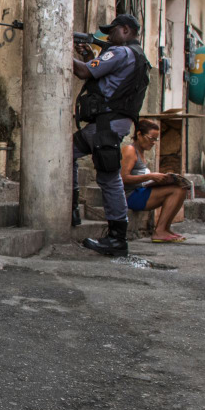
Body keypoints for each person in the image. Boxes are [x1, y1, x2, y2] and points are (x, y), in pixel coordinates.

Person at [70, 14, 151, 257]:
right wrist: (87, 54)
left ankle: (117, 238)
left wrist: (59, 48)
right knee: (67, 153)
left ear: (125, 30)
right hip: (113, 122)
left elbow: (85, 73)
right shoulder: (138, 57)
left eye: (112, 32)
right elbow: (99, 75)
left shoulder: (121, 52)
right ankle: (74, 208)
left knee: (109, 177)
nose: (109, 37)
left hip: (106, 123)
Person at [121, 119, 191, 243]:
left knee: (181, 187)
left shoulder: (141, 152)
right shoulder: (130, 150)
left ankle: (165, 228)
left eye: (156, 139)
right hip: (129, 196)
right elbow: (123, 178)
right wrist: (150, 177)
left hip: (139, 190)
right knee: (177, 191)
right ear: (139, 134)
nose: (153, 142)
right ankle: (159, 231)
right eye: (151, 138)